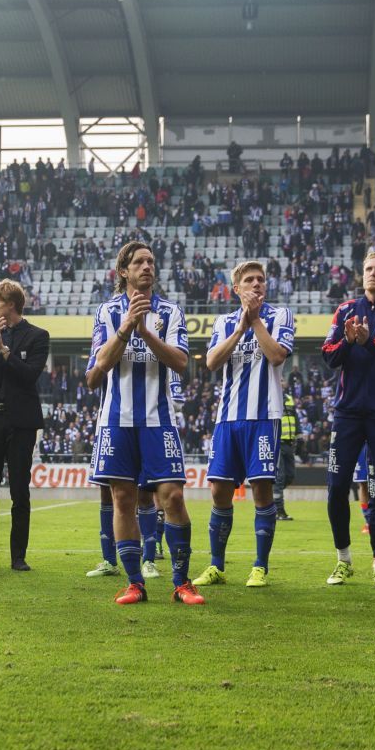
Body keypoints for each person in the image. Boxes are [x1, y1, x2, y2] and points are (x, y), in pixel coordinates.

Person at [85, 241, 202, 605]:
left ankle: (182, 583)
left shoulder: (170, 312)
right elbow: (94, 374)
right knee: (123, 499)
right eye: (139, 262)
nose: (147, 266)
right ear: (124, 272)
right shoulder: (106, 312)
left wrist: (146, 331)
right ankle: (135, 583)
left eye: (151, 261)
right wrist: (125, 328)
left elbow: (181, 362)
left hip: (158, 420)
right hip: (115, 421)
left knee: (173, 497)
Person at [192, 260, 295, 588]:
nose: (256, 284)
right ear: (236, 288)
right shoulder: (223, 322)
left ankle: (259, 567)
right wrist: (240, 327)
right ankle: (216, 566)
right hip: (228, 418)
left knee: (262, 490)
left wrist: (255, 323)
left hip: (265, 417)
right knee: (219, 490)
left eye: (261, 280)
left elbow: (277, 356)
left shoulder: (280, 316)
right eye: (249, 280)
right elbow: (210, 362)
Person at [321, 250, 375, 588]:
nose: (373, 274)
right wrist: (348, 340)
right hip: (347, 415)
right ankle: (343, 559)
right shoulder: (345, 310)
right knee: (336, 488)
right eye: (369, 269)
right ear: (362, 275)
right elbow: (328, 356)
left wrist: (369, 342)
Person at [0, 278, 51, 571]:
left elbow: (29, 376)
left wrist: (6, 351)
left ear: (11, 305)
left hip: (21, 423)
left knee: (20, 490)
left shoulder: (38, 336)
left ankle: (18, 556)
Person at [275, 395, 298, 520]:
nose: (282, 380)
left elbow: (295, 418)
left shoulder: (289, 398)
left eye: (283, 379)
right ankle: (278, 510)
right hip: (276, 442)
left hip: (289, 443)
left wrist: (299, 437)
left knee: (290, 476)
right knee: (279, 477)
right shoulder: (271, 395)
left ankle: (270, 496)